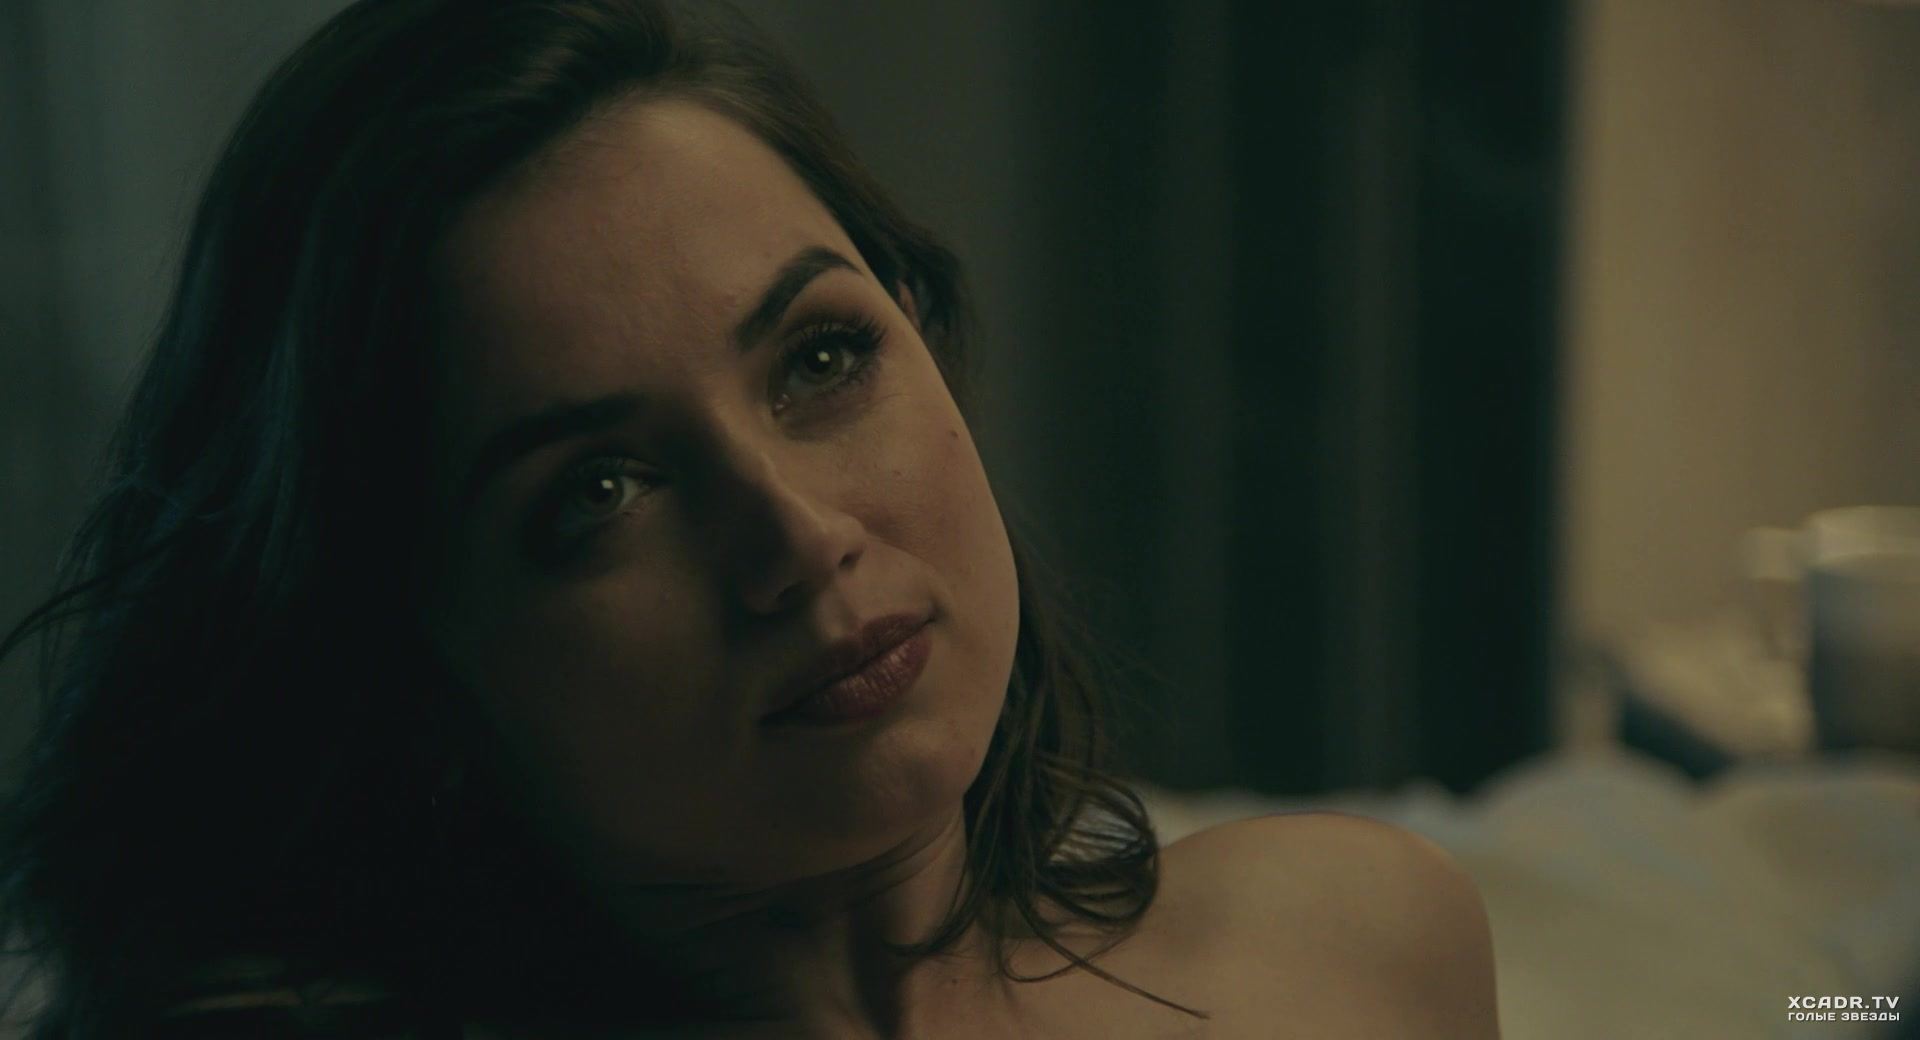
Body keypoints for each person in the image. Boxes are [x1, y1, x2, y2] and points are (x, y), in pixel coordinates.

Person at [0, 1, 1501, 1036]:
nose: (794, 538)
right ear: (412, 652)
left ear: (921, 328)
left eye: (822, 358)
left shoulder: (1361, 944)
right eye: (596, 493)